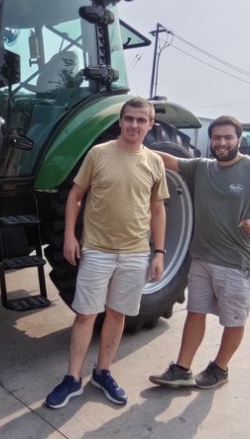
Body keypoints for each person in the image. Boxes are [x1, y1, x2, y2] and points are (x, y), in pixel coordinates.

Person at [149, 115, 250, 389]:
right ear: (211, 140)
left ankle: (220, 369)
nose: (221, 142)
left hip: (237, 262)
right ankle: (182, 369)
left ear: (238, 140)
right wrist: (136, 141)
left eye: (227, 137)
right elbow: (168, 161)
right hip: (202, 258)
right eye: (217, 137)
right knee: (195, 312)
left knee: (233, 319)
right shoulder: (202, 168)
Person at [44, 96, 168, 409]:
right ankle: (73, 378)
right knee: (86, 314)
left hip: (136, 253)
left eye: (141, 120)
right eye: (129, 119)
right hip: (97, 250)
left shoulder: (154, 163)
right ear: (121, 121)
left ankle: (103, 372)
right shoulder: (98, 153)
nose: (134, 125)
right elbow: (75, 194)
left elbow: (158, 209)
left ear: (150, 125)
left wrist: (160, 252)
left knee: (117, 314)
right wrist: (70, 236)